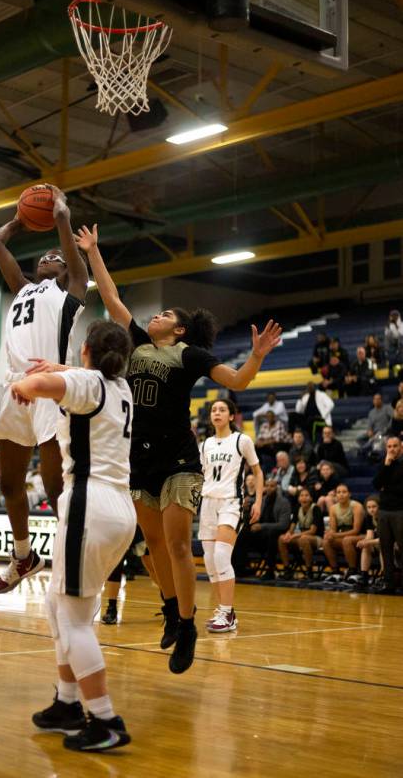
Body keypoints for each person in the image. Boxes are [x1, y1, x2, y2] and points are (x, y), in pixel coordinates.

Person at [74, 222, 281, 673]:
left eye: (166, 313)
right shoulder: (140, 343)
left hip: (179, 459)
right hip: (139, 459)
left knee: (177, 545)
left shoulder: (188, 356)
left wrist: (259, 354)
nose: (156, 316)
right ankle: (171, 609)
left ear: (180, 329)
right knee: (151, 547)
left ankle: (186, 626)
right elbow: (111, 299)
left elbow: (238, 381)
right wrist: (92, 251)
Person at [10, 320, 136, 752]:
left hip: (90, 504)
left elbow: (52, 383)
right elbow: (83, 375)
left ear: (86, 351)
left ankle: (105, 720)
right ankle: (66, 704)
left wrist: (31, 383)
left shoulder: (85, 383)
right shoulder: (121, 389)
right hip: (118, 508)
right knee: (55, 603)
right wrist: (60, 368)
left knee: (75, 620)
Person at [0, 185, 88, 593]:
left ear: (66, 272)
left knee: (53, 487)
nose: (51, 257)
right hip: (15, 389)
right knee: (9, 484)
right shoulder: (24, 289)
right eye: (46, 256)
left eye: (59, 258)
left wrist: (61, 214)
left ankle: (72, 556)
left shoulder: (69, 296)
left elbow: (77, 263)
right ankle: (24, 554)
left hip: (50, 387)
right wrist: (20, 217)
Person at [199, 399, 263, 633]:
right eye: (214, 410)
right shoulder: (204, 445)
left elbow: (257, 471)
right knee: (209, 561)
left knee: (221, 556)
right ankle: (225, 611)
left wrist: (258, 501)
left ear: (231, 416)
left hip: (230, 503)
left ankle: (227, 612)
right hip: (207, 503)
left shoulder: (241, 440)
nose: (217, 413)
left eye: (222, 410)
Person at [235, 478, 291, 581]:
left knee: (272, 535)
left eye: (272, 486)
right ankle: (240, 567)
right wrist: (246, 507)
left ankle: (270, 571)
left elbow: (283, 525)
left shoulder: (284, 503)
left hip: (275, 535)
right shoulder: (263, 500)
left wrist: (262, 526)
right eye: (267, 486)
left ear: (277, 488)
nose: (269, 488)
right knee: (242, 532)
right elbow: (252, 505)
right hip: (261, 535)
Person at [372, 436, 403, 594]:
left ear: (401, 447)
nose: (392, 449)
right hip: (383, 511)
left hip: (400, 511)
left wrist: (387, 487)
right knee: (385, 548)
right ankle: (388, 583)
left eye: (395, 446)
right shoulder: (384, 464)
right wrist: (386, 465)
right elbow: (376, 484)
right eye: (389, 446)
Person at [321, 485, 365, 582]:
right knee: (326, 542)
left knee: (347, 540)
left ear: (349, 494)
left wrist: (335, 535)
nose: (341, 494)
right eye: (338, 492)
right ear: (336, 495)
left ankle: (353, 571)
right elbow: (333, 529)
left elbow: (356, 530)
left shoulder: (357, 506)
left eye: (344, 492)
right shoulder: (333, 508)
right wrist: (329, 534)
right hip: (343, 536)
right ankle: (335, 571)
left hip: (361, 536)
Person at [278, 488, 324, 580]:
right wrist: (288, 534)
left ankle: (309, 571)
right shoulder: (297, 508)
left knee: (304, 539)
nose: (304, 498)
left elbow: (312, 531)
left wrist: (295, 535)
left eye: (306, 495)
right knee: (281, 538)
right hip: (302, 537)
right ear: (299, 498)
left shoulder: (316, 508)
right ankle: (287, 569)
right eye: (301, 495)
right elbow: (292, 525)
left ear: (311, 498)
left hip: (317, 538)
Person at [347, 495, 381, 589]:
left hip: (389, 544)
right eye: (369, 507)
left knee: (383, 546)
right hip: (376, 543)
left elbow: (385, 539)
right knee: (366, 546)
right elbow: (369, 535)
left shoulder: (384, 517)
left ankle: (383, 576)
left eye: (374, 507)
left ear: (380, 507)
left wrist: (368, 542)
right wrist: (364, 541)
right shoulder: (369, 518)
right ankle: (364, 575)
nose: (371, 510)